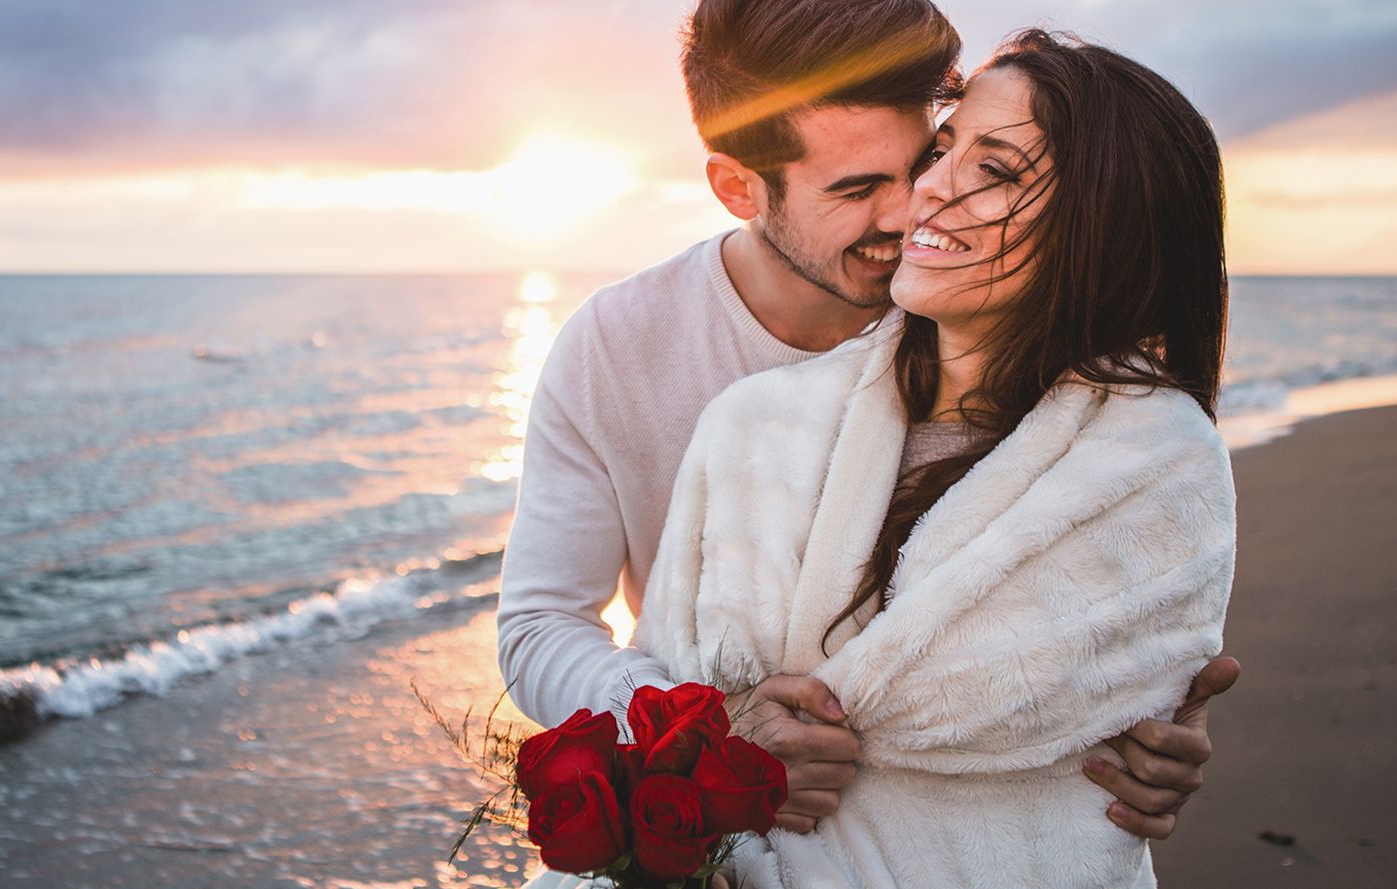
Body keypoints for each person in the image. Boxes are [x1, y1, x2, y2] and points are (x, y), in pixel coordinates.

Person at [495, 0, 1236, 843]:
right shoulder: (621, 345)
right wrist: (701, 729)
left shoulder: (1007, 329)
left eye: (925, 158)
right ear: (739, 186)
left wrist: (1130, 708)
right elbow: (539, 624)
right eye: (856, 188)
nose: (911, 208)